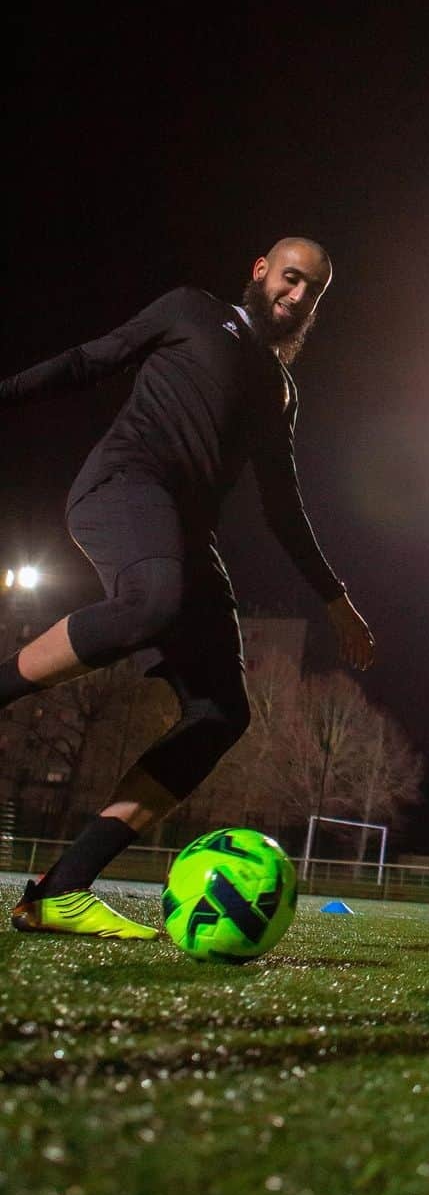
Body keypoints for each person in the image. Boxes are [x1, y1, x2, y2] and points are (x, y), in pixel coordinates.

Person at [0, 238, 375, 939]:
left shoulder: (282, 389)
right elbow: (88, 360)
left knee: (220, 713)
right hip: (123, 485)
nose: (296, 298)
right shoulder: (191, 311)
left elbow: (282, 507)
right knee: (152, 601)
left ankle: (62, 889)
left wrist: (335, 598)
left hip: (187, 537)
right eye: (291, 279)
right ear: (260, 269)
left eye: (312, 293)